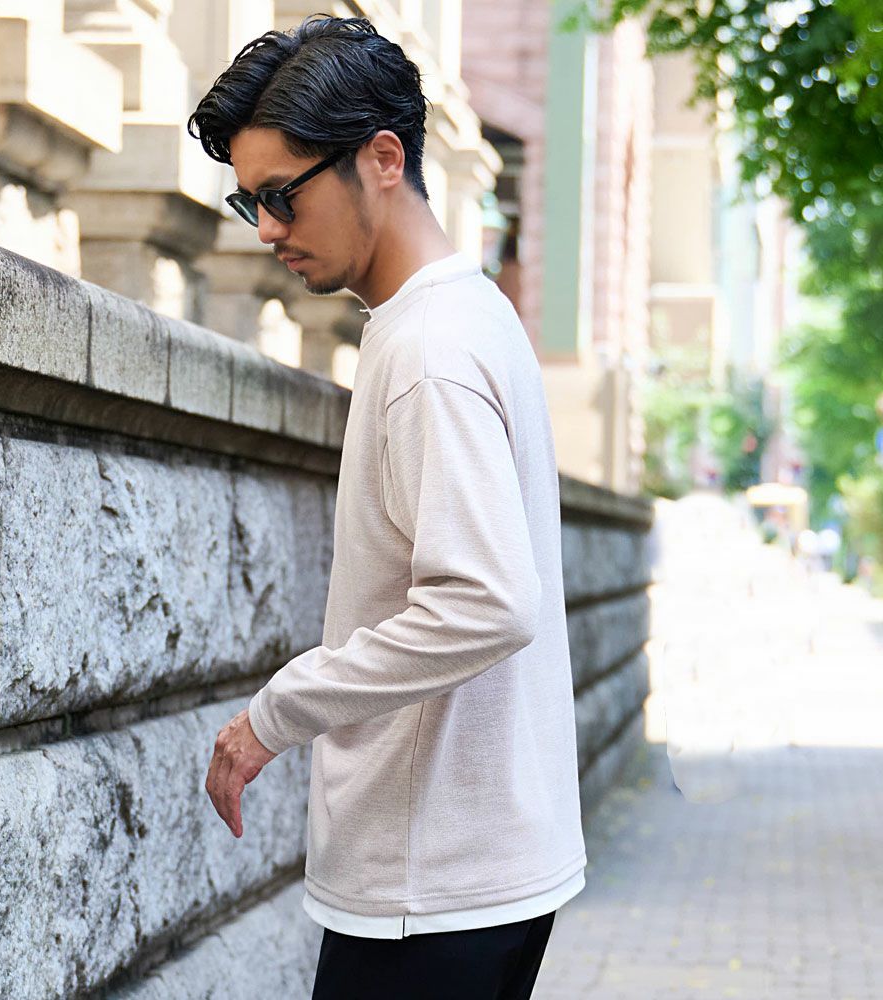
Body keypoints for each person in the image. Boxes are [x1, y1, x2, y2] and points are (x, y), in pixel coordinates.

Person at [188, 15, 587, 999]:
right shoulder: (470, 314)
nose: (267, 229)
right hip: (476, 870)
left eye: (282, 195)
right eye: (250, 202)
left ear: (381, 158)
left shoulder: (427, 350)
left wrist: (275, 714)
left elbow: (487, 601)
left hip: (431, 887)